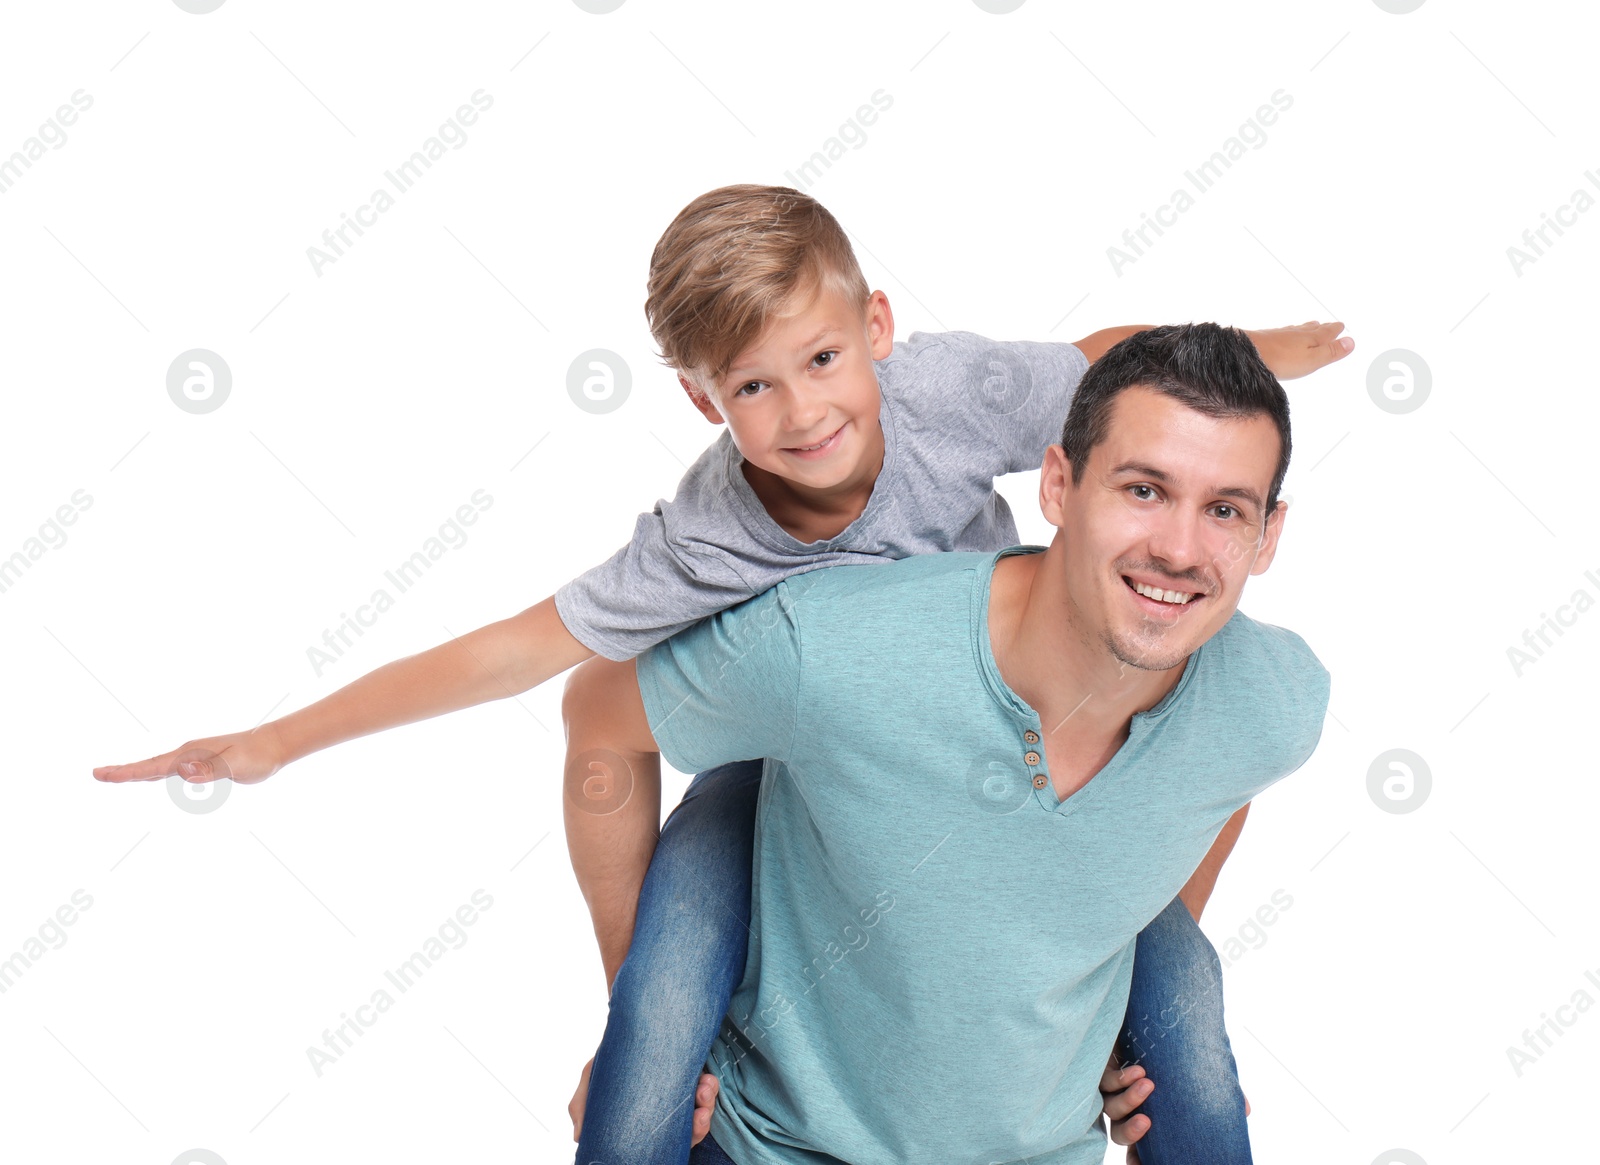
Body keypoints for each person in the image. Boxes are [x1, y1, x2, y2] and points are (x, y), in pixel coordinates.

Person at [89, 185, 1350, 1162]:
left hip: (1001, 721)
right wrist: (277, 739)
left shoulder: (953, 398)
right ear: (703, 404)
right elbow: (525, 658)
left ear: (878, 329)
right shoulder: (710, 537)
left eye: (820, 361)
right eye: (752, 385)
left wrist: (1268, 346)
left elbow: (1111, 370)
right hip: (777, 762)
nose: (804, 414)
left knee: (1191, 1035)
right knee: (647, 1049)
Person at [563, 320, 1332, 1164]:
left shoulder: (1274, 696)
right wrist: (641, 1024)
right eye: (1143, 490)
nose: (1179, 549)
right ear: (1057, 485)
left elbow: (1227, 773)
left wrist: (1125, 996)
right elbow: (601, 711)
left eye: (1225, 509)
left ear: (1268, 536)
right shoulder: (832, 650)